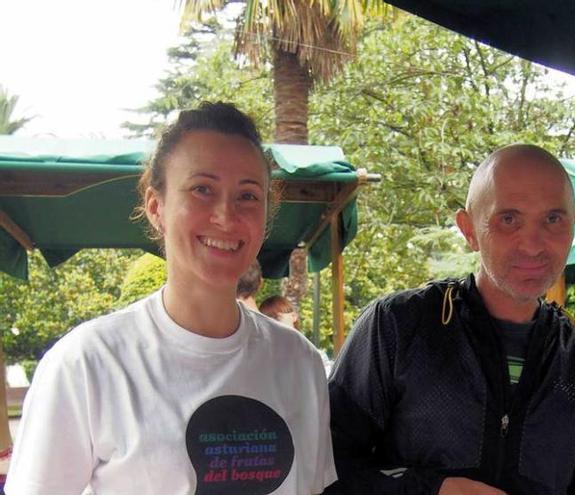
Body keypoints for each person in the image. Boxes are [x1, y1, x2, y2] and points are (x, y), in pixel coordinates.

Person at [6, 102, 336, 495]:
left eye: (248, 196)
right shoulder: (87, 364)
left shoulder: (299, 362)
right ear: (156, 207)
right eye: (202, 189)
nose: (226, 216)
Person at [327, 144, 575, 494]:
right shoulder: (398, 327)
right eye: (508, 219)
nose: (532, 244)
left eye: (553, 219)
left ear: (574, 225)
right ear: (469, 230)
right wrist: (431, 489)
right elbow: (327, 468)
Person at [260, 295, 333, 376]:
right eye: (266, 322)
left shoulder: (315, 356)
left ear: (294, 316)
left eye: (277, 318)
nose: (272, 325)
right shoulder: (261, 359)